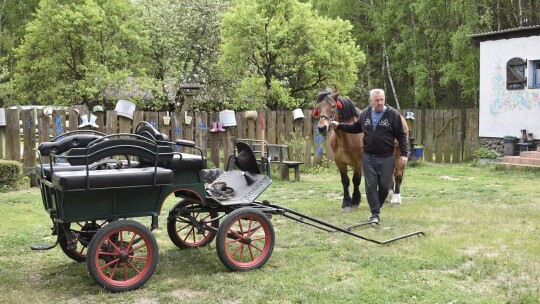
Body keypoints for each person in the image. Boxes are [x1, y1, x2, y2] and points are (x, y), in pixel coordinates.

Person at [329, 89, 408, 223]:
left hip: (386, 156)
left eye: (382, 100)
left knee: (384, 186)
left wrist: (404, 154)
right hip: (368, 156)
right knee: (370, 186)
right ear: (371, 101)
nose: (380, 103)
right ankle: (375, 214)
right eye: (377, 100)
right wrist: (339, 125)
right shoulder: (365, 114)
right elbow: (355, 128)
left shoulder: (392, 115)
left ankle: (379, 204)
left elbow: (401, 135)